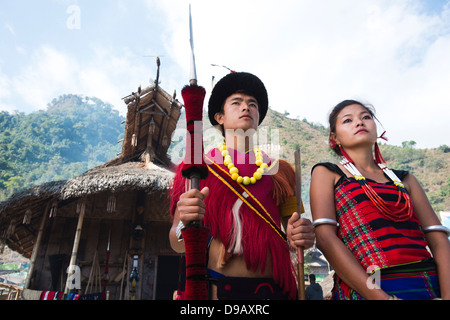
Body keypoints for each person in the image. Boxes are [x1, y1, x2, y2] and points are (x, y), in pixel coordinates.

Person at [169, 72, 315, 300]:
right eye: (236, 103)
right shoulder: (196, 170)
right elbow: (176, 243)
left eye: (252, 104)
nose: (246, 107)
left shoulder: (283, 172)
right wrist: (185, 224)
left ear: (259, 117)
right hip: (219, 290)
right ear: (219, 117)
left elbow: (294, 233)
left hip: (276, 290)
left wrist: (304, 234)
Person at [300, 99, 450, 300]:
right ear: (334, 138)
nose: (359, 122)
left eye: (366, 117)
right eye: (348, 120)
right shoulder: (328, 173)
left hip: (426, 285)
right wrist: (382, 298)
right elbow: (326, 239)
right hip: (366, 288)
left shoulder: (405, 179)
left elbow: (438, 240)